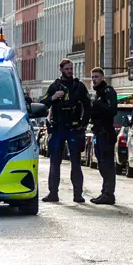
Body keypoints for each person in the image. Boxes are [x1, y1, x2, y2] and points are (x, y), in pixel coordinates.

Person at [38, 59, 89, 203]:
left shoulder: (79, 86)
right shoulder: (54, 86)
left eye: (71, 68)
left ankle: (78, 194)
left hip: (73, 128)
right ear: (61, 69)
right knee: (55, 162)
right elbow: (43, 104)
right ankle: (53, 193)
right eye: (67, 68)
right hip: (58, 128)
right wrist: (54, 97)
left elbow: (88, 106)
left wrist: (83, 124)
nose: (70, 71)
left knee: (76, 163)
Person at [87, 68, 118, 205]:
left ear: (103, 78)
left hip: (106, 134)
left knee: (107, 165)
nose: (94, 79)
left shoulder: (108, 92)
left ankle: (108, 194)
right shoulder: (98, 94)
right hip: (99, 133)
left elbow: (112, 110)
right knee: (101, 165)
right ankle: (105, 192)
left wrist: (98, 105)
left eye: (97, 77)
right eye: (93, 77)